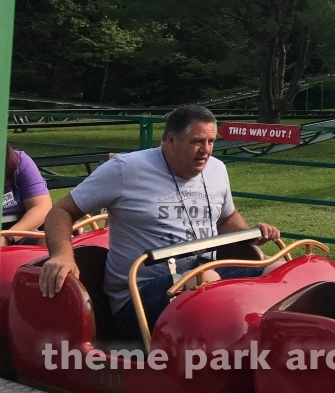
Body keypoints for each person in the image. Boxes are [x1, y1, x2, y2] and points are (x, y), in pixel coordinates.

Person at [39, 104, 282, 340]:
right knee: (204, 282)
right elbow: (61, 211)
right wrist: (62, 255)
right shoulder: (125, 169)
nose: (206, 150)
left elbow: (226, 217)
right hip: (136, 300)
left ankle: (269, 349)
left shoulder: (216, 169)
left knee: (278, 270)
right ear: (171, 140)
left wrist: (249, 234)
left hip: (205, 276)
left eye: (211, 142)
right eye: (197, 141)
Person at [2, 145, 52, 245]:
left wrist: (7, 238)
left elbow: (41, 207)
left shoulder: (19, 162)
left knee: (55, 245)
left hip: (20, 234)